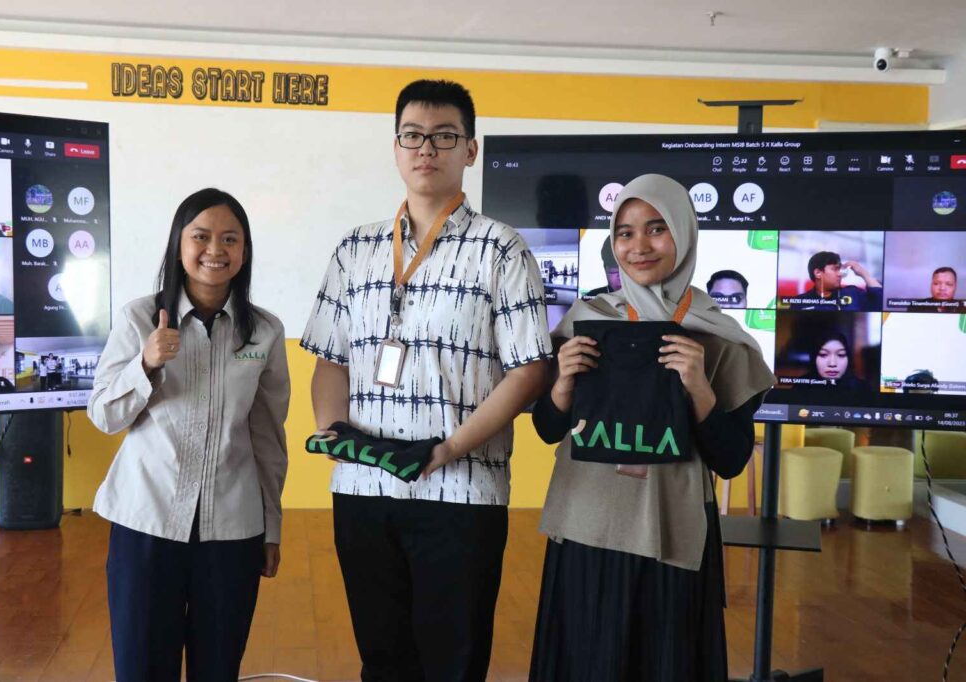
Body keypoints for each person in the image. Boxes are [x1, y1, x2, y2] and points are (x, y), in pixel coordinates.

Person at [302, 79, 551, 681]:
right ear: (395, 147)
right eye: (412, 136)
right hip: (364, 487)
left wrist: (447, 449)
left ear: (470, 149)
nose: (426, 149)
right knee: (382, 657)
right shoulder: (355, 249)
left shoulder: (501, 250)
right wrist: (334, 431)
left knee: (452, 662)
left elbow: (529, 370)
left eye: (444, 136)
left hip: (460, 491)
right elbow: (331, 358)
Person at [529, 174, 775, 681]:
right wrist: (562, 385)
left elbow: (731, 459)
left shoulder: (718, 337)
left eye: (656, 228)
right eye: (625, 233)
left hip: (671, 534)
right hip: (586, 526)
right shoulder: (587, 319)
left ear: (683, 233)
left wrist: (699, 387)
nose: (639, 246)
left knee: (665, 663)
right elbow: (548, 430)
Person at [87, 188, 290, 682]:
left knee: (218, 667)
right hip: (146, 524)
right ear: (179, 245)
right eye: (200, 237)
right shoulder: (139, 318)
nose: (215, 250)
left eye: (230, 239)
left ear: (244, 251)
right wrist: (146, 362)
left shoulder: (264, 332)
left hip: (232, 532)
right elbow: (104, 415)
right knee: (141, 667)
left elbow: (267, 437)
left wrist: (272, 527)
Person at [788, 251, 881, 311]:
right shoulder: (800, 302)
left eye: (839, 269)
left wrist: (864, 273)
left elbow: (881, 302)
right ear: (818, 273)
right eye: (835, 269)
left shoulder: (853, 293)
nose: (840, 274)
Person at [799, 331, 869, 392]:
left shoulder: (861, 388)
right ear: (814, 357)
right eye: (823, 354)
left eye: (841, 355)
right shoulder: (802, 385)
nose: (832, 364)